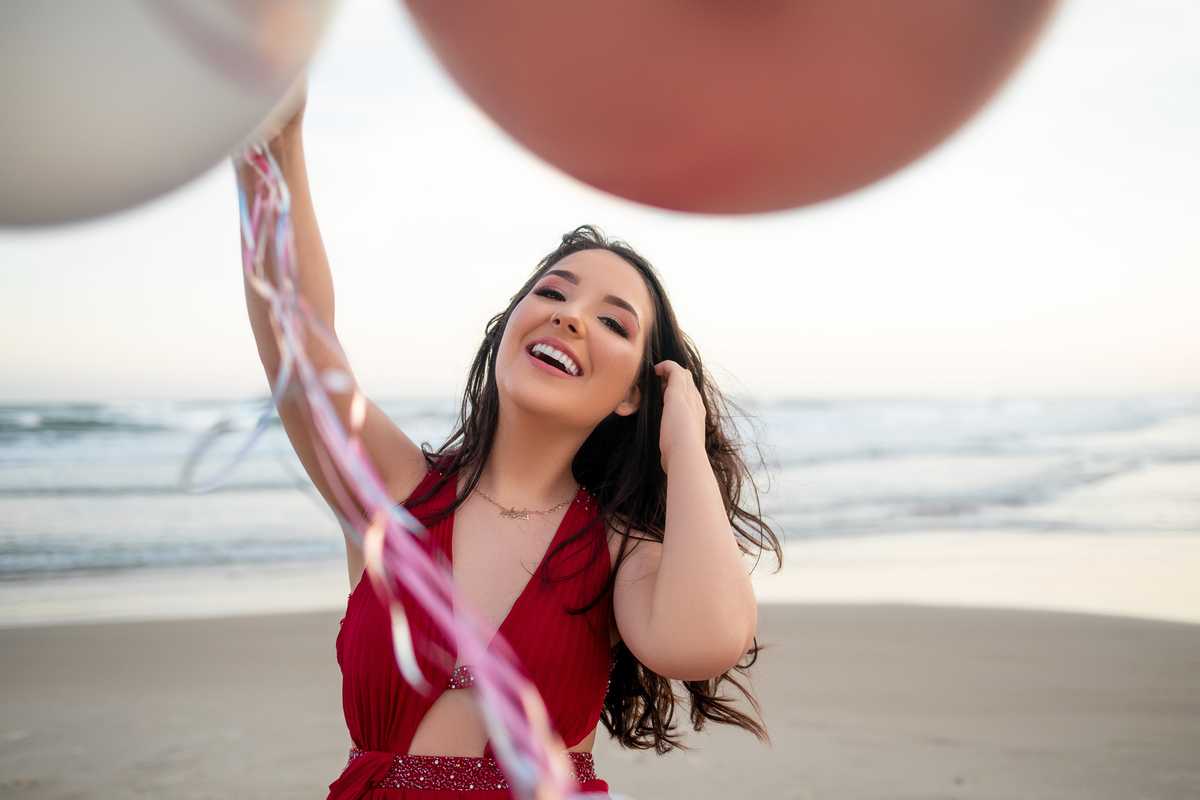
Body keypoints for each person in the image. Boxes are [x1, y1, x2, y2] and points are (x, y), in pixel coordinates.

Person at [237, 86, 781, 800]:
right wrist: (271, 149)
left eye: (614, 323)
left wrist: (682, 438)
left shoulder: (619, 550)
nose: (571, 318)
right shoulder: (394, 493)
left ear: (632, 396)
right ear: (508, 328)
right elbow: (300, 337)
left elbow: (705, 639)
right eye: (553, 293)